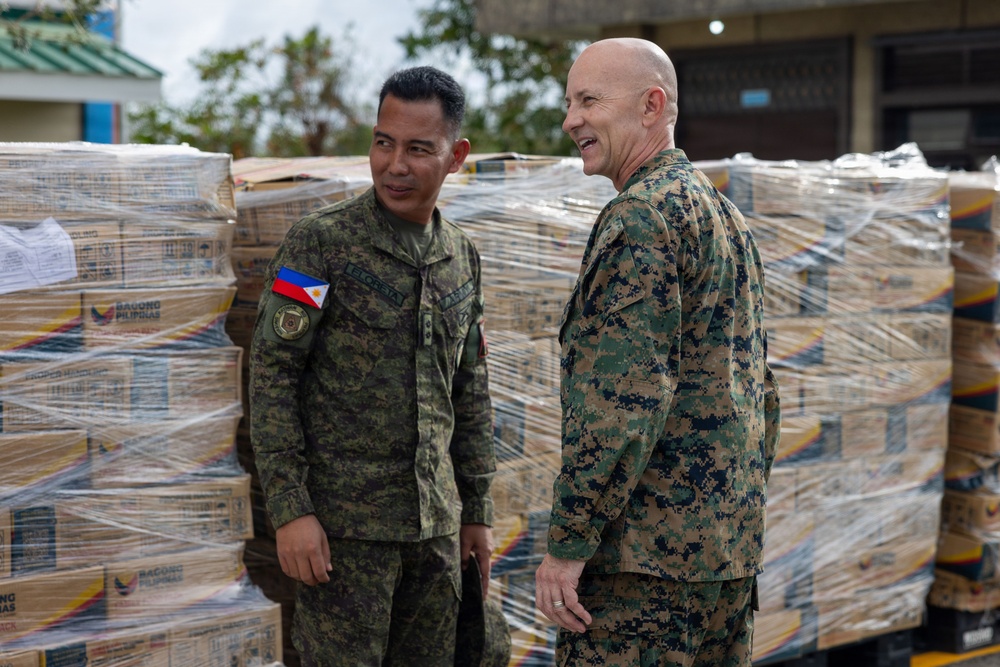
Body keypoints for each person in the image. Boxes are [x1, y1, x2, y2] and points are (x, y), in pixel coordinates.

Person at [534, 38, 781, 666]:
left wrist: (569, 543)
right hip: (723, 563)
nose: (571, 120)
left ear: (652, 106)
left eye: (589, 100)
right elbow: (762, 394)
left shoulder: (641, 218)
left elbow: (621, 406)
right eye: (569, 103)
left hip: (644, 579)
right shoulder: (724, 215)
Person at [250, 65, 497, 667]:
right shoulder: (320, 245)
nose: (395, 165)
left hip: (435, 532)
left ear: (456, 155)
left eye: (418, 149)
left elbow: (469, 392)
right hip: (342, 539)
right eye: (383, 143)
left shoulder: (461, 257)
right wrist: (292, 510)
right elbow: (271, 375)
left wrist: (477, 513)